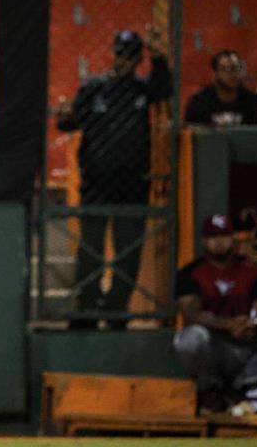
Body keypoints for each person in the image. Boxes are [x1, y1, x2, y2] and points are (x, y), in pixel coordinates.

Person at [56, 28, 172, 329]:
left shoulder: (142, 91)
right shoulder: (94, 88)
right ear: (114, 54)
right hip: (96, 181)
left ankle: (116, 307)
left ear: (137, 60)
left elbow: (164, 89)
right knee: (90, 249)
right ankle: (87, 308)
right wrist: (64, 115)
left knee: (128, 250)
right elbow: (69, 123)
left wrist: (158, 58)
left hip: (132, 182)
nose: (124, 61)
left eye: (131, 56)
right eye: (121, 54)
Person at [173, 214, 257, 415]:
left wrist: (255, 323)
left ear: (233, 238)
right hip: (211, 348)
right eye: (213, 237)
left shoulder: (251, 269)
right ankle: (211, 393)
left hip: (243, 346)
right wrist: (229, 325)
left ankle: (237, 390)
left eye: (224, 235)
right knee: (190, 338)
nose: (218, 242)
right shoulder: (191, 272)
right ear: (204, 241)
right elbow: (191, 313)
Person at [184, 50, 257, 127]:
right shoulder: (199, 102)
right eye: (226, 69)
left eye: (237, 68)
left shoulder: (253, 102)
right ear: (214, 74)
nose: (232, 74)